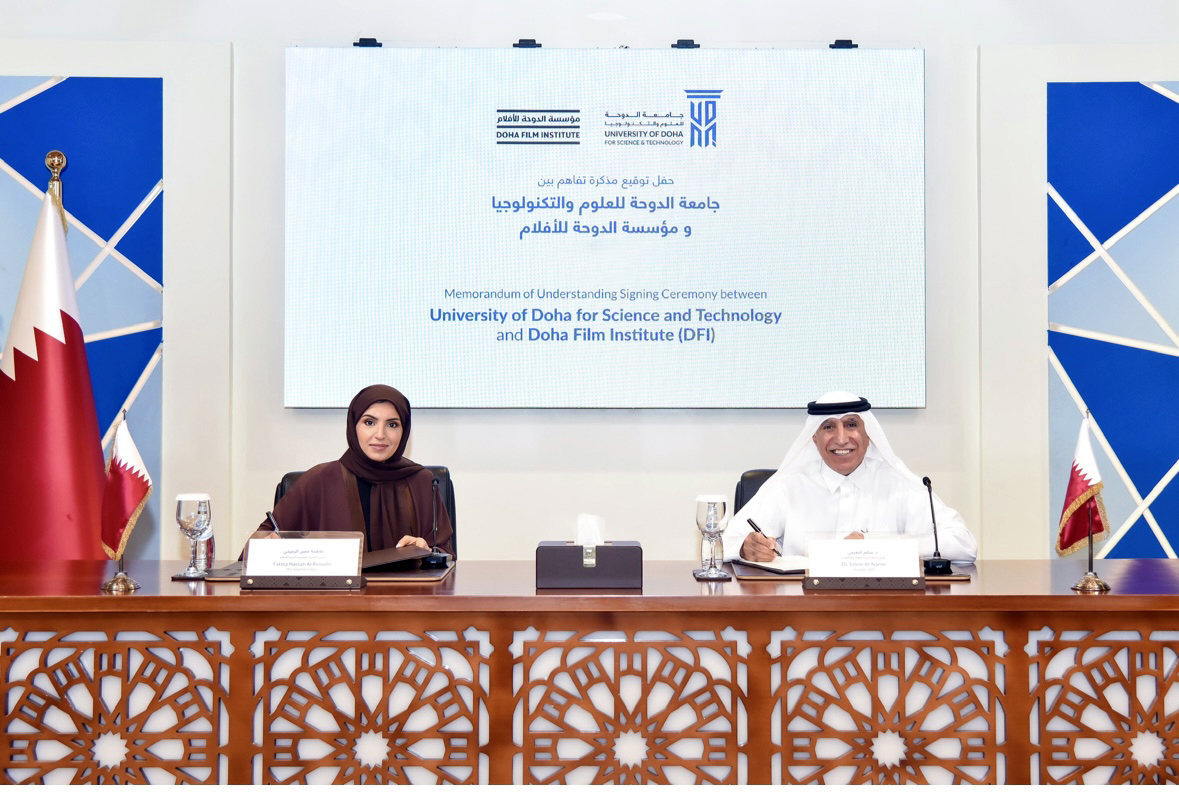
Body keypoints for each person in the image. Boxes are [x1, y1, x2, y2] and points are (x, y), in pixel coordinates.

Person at [722, 391, 976, 563]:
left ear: (868, 434)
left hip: (884, 616)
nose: (841, 438)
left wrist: (876, 545)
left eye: (851, 425)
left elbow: (963, 544)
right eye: (829, 427)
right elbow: (720, 544)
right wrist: (745, 547)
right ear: (814, 438)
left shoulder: (899, 484)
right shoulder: (788, 485)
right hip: (802, 615)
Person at [262, 384, 454, 556]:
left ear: (404, 431)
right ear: (353, 426)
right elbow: (259, 544)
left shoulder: (422, 482)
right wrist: (271, 546)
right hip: (336, 587)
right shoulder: (318, 480)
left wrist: (427, 551)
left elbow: (446, 555)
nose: (380, 434)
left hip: (406, 587)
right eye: (369, 422)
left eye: (392, 424)